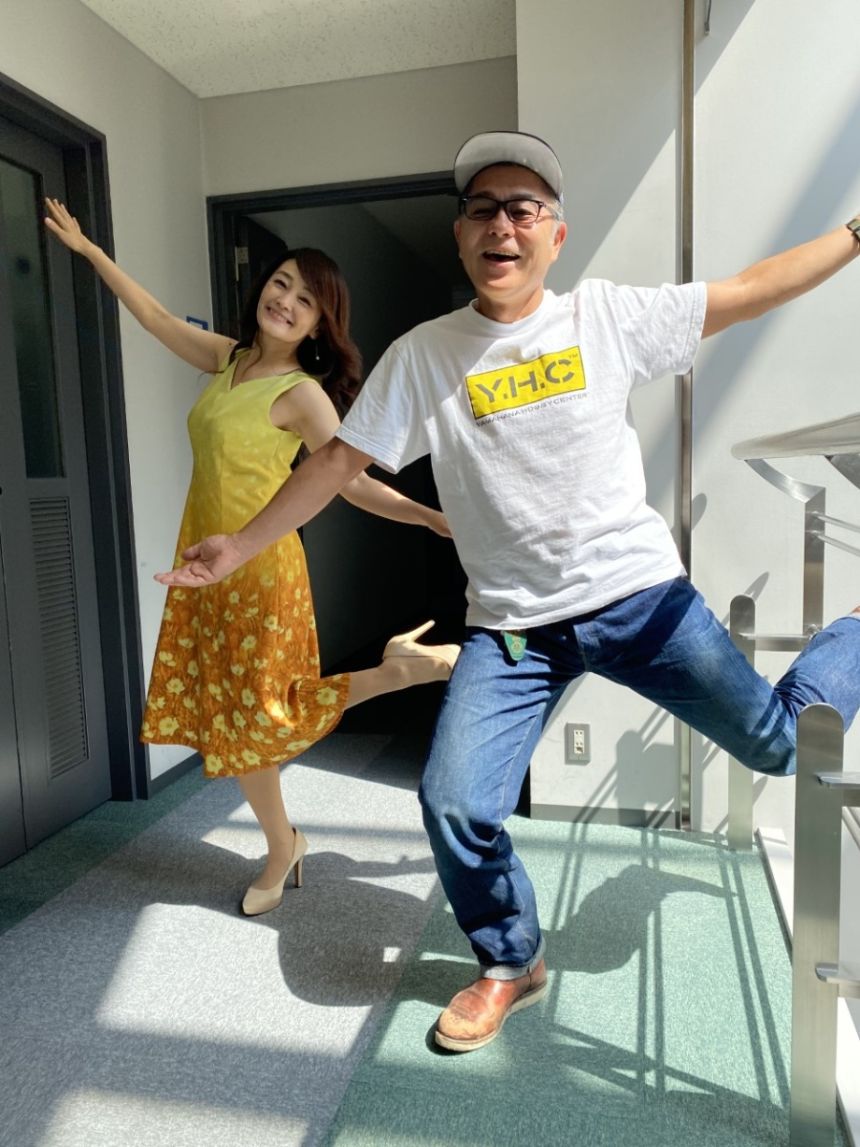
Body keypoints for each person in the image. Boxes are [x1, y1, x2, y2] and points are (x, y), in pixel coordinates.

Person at [154, 131, 860, 1049]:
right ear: (460, 236)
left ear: (554, 236)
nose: (502, 225)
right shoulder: (425, 355)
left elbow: (748, 289)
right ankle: (511, 959)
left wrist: (854, 233)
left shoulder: (603, 317)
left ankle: (851, 630)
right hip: (514, 632)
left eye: (523, 209)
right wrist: (239, 546)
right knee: (454, 799)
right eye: (482, 208)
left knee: (779, 745)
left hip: (641, 601)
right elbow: (335, 462)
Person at [44, 198, 458, 918]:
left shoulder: (303, 396)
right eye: (281, 283)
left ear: (320, 325)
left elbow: (352, 482)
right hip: (207, 566)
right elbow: (156, 318)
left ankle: (290, 830)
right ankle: (294, 824)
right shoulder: (228, 359)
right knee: (241, 718)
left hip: (262, 572)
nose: (285, 301)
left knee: (259, 716)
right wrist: (90, 252)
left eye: (305, 300)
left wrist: (427, 516)